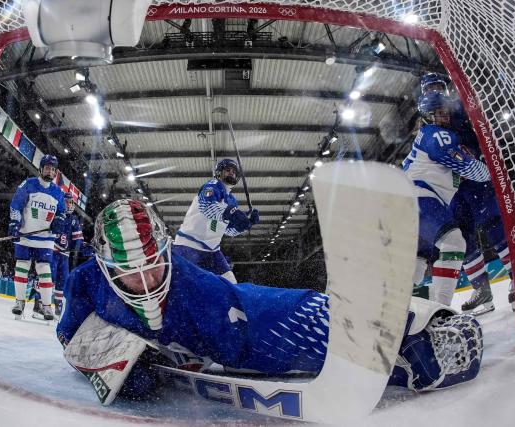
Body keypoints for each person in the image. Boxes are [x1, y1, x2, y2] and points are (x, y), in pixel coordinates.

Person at [57, 199, 483, 403]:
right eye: (129, 273)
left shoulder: (196, 288)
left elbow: (240, 341)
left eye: (152, 264)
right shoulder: (84, 283)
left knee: (287, 316)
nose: (145, 280)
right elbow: (70, 335)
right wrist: (118, 362)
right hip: (206, 329)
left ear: (165, 253)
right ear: (103, 266)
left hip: (238, 316)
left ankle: (410, 330)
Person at [422, 73, 514, 313]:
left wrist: (476, 159)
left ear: (445, 88)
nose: (434, 91)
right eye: (429, 88)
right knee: (462, 237)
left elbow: (479, 135)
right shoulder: (427, 122)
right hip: (453, 189)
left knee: (494, 224)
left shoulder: (460, 109)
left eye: (438, 86)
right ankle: (482, 291)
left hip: (476, 181)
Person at [403, 91, 491, 306]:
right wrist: (494, 170)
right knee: (454, 242)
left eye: (445, 112)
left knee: (418, 260)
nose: (445, 117)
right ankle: (442, 307)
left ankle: (401, 309)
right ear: (427, 115)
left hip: (411, 201)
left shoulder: (428, 134)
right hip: (421, 197)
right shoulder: (437, 135)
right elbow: (474, 171)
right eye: (438, 113)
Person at [172, 158, 259, 283]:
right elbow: (207, 207)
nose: (231, 174)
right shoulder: (212, 186)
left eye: (234, 172)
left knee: (231, 284)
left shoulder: (232, 200)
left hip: (212, 251)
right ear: (219, 172)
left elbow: (229, 231)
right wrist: (232, 213)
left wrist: (246, 224)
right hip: (188, 246)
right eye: (228, 170)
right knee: (184, 285)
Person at [8, 154, 66, 320]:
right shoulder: (29, 184)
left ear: (56, 173)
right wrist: (15, 222)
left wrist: (59, 222)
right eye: (47, 167)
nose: (50, 171)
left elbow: (61, 213)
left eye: (53, 169)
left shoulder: (58, 192)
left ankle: (47, 306)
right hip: (26, 236)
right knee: (22, 266)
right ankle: (19, 302)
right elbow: (16, 206)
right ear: (41, 168)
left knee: (44, 270)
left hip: (46, 239)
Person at [50, 193, 85, 316]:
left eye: (70, 202)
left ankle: (58, 306)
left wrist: (80, 247)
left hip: (65, 256)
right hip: (52, 251)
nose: (69, 204)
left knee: (62, 281)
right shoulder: (56, 214)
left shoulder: (74, 219)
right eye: (67, 201)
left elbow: (78, 238)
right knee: (50, 277)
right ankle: (40, 303)